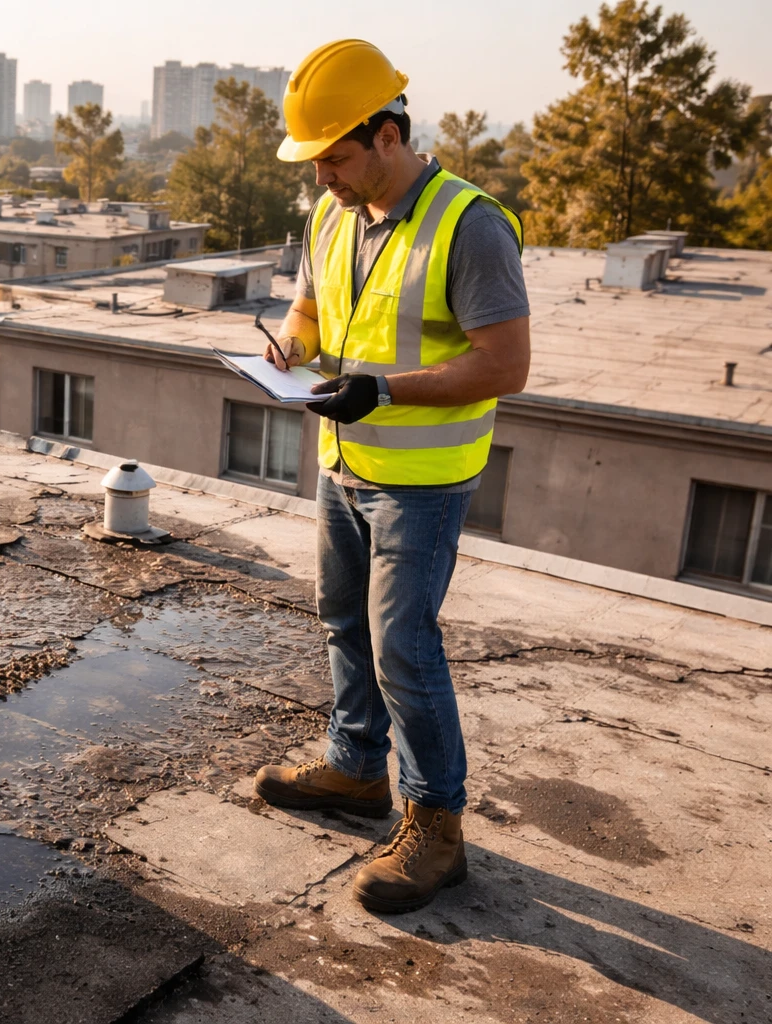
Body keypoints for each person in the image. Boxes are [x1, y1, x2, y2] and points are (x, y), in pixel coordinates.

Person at [252, 39, 530, 913]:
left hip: (423, 478)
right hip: (345, 462)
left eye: (335, 155)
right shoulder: (331, 216)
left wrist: (385, 390)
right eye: (316, 161)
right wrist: (293, 346)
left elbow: (506, 365)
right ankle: (355, 768)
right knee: (343, 620)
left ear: (387, 132)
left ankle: (437, 826)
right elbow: (312, 304)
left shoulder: (469, 223)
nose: (324, 176)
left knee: (403, 646)